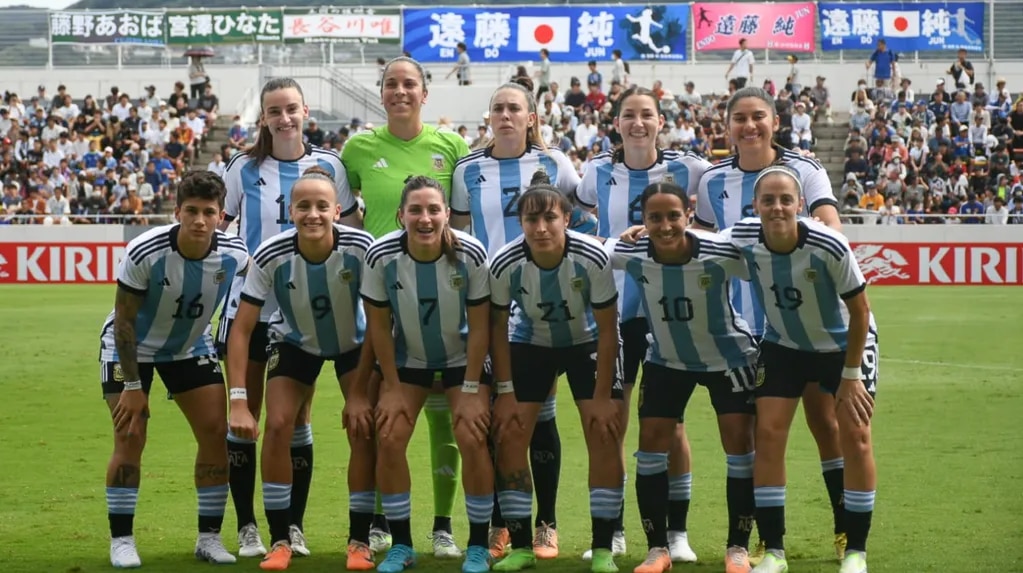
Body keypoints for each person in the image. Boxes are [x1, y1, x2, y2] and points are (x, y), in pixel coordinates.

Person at [217, 77, 359, 558]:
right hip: (255, 305)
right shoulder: (242, 166)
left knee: (296, 416)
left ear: (305, 113)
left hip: (308, 309)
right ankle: (247, 526)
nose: (284, 118)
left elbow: (350, 229)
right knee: (246, 417)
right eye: (274, 111)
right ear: (263, 118)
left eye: (291, 109)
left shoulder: (330, 165)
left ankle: (291, 526)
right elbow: (226, 226)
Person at [342, 55, 472, 557]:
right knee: (381, 413)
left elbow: (460, 223)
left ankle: (442, 525)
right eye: (391, 84)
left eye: (409, 84)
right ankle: (380, 520)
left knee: (446, 417)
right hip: (379, 300)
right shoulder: (357, 149)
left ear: (424, 93)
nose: (400, 91)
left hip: (440, 296)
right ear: (382, 92)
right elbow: (340, 214)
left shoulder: (451, 145)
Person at [576, 86, 710, 564]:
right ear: (616, 123)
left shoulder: (690, 169)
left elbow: (707, 231)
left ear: (660, 121)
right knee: (612, 419)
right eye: (629, 115)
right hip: (616, 314)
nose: (637, 123)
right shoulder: (596, 172)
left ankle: (676, 532)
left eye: (646, 115)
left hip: (668, 314)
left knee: (669, 425)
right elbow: (587, 221)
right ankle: (612, 530)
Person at [726, 166, 878, 573]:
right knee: (769, 432)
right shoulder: (743, 235)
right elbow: (698, 243)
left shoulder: (828, 245)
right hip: (785, 344)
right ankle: (774, 550)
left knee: (856, 434)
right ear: (755, 206)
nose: (777, 207)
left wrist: (850, 377)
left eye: (785, 200)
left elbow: (860, 313)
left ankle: (855, 550)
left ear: (800, 205)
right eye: (768, 200)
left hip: (843, 344)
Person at [451, 79, 578, 560]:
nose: (505, 116)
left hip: (541, 310)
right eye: (497, 109)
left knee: (539, 416)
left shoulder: (555, 164)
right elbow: (460, 234)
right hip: (487, 308)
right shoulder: (468, 169)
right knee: (497, 423)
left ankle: (545, 522)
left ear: (532, 118)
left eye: (514, 109)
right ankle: (503, 525)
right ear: (489, 117)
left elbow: (574, 224)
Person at [226, 167, 376, 571]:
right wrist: (238, 401)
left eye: (322, 206)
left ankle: (359, 540)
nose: (313, 214)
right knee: (277, 425)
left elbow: (383, 321)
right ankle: (281, 539)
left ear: (338, 210)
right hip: (295, 345)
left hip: (355, 346)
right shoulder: (271, 254)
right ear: (290, 211)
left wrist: (361, 391)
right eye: (304, 206)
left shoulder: (363, 247)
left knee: (364, 429)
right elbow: (241, 330)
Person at [98, 171, 249, 568]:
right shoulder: (145, 250)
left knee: (217, 433)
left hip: (188, 346)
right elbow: (124, 320)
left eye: (209, 212)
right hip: (128, 348)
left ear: (220, 216)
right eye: (192, 211)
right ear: (177, 211)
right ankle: (123, 540)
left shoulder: (236, 254)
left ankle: (209, 538)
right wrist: (133, 384)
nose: (200, 220)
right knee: (130, 436)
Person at [606, 182, 758, 573]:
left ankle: (738, 547)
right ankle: (658, 550)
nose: (665, 225)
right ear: (642, 221)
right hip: (667, 359)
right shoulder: (630, 250)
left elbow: (761, 260)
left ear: (688, 215)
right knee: (651, 448)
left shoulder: (718, 250)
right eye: (654, 217)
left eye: (673, 215)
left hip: (729, 359)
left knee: (740, 449)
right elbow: (589, 251)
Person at [488, 182, 624, 573]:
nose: (542, 227)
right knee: (511, 435)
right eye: (532, 219)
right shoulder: (504, 262)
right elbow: (497, 329)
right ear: (521, 223)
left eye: (550, 217)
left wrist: (601, 396)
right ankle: (520, 546)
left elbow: (607, 328)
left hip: (586, 343)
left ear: (567, 218)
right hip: (531, 343)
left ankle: (602, 548)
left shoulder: (591, 256)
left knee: (603, 432)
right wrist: (506, 391)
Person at [361, 176, 493, 573]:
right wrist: (394, 387)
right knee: (389, 435)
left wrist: (471, 389)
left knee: (472, 436)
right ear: (400, 215)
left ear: (447, 215)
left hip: (461, 360)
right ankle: (401, 545)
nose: (425, 218)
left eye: (433, 209)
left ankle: (479, 545)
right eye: (415, 210)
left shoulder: (470, 253)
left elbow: (482, 326)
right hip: (409, 361)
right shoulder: (380, 255)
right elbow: (379, 327)